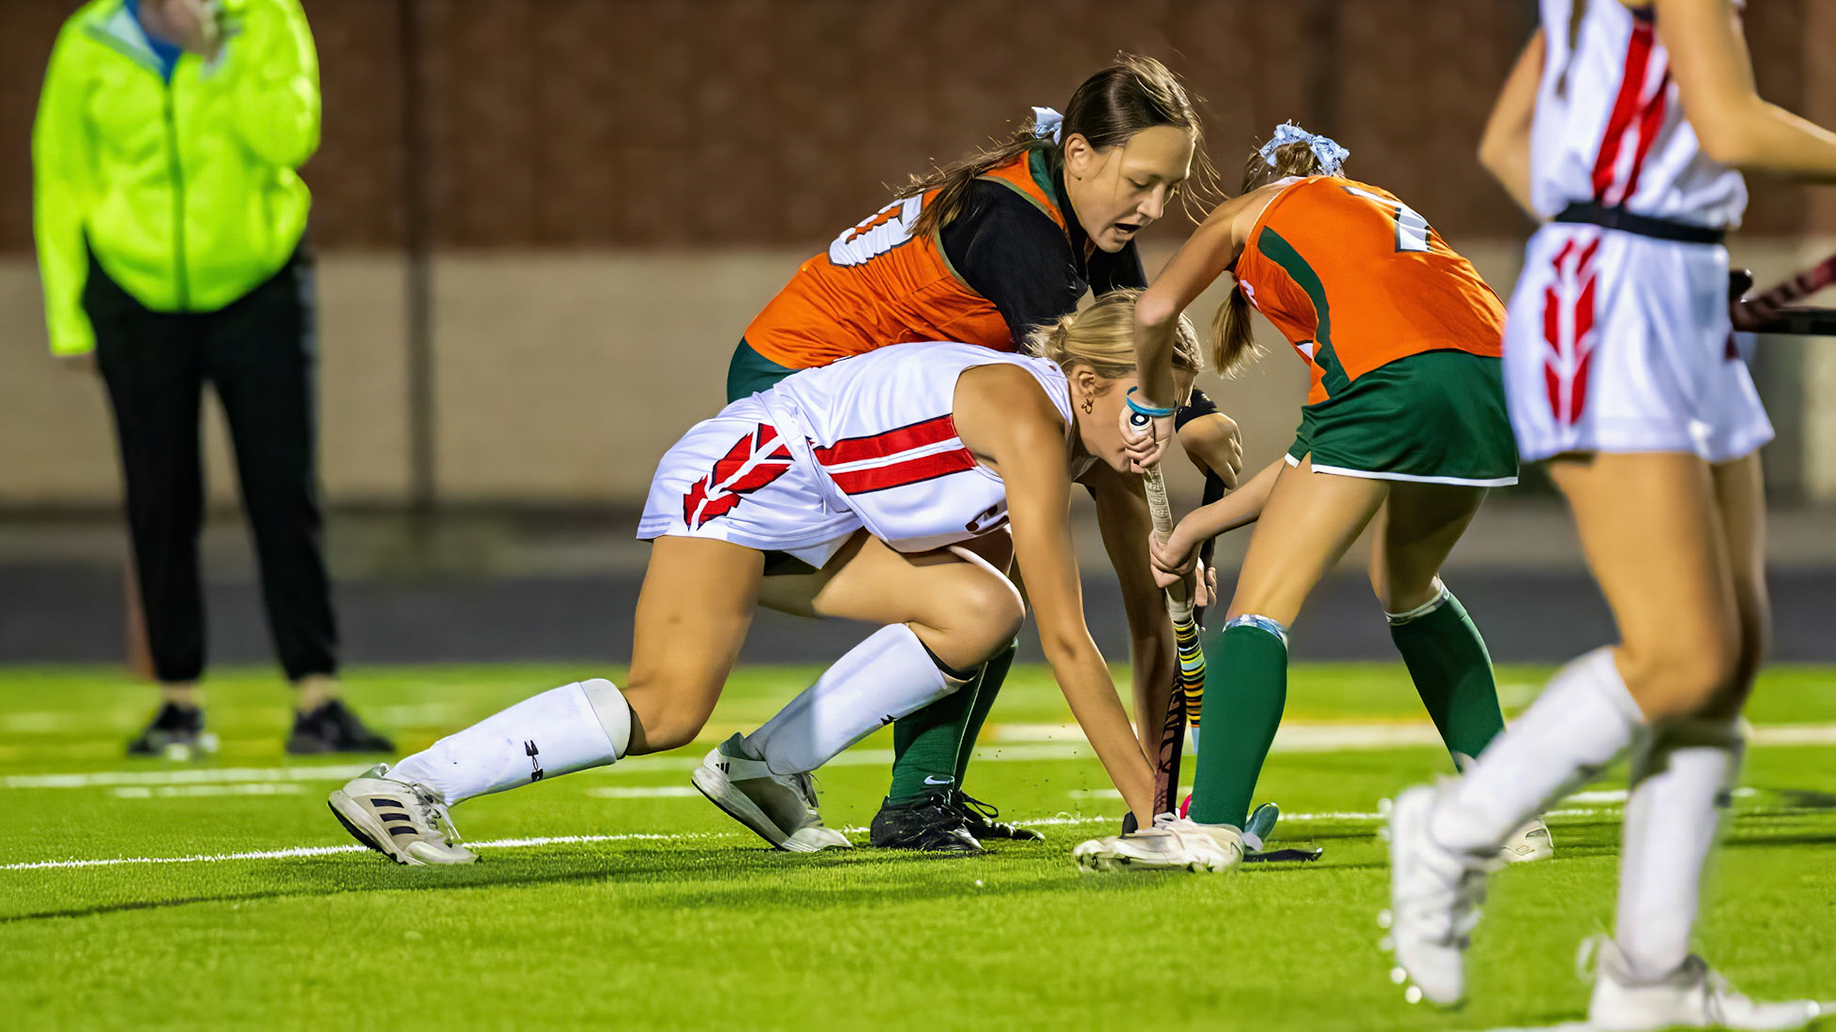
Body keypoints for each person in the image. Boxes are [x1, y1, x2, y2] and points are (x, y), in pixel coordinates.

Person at [1384, 0, 1836, 1024]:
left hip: (1662, 287)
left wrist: (1652, 236)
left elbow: (1511, 141)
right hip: (1621, 303)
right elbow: (1731, 125)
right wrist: (1629, 244)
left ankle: (1648, 979)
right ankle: (1453, 829)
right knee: (1681, 650)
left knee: (1727, 658)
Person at [326, 294, 1212, 865]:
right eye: (1144, 411)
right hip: (746, 476)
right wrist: (1154, 818)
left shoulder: (1092, 445)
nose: (1155, 436)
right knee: (667, 707)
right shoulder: (1028, 420)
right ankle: (409, 786)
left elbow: (1143, 616)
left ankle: (764, 770)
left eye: (1168, 417)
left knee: (981, 609)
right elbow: (1070, 640)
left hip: (821, 512)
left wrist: (1166, 797)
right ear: (1085, 383)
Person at [725, 55, 1243, 851]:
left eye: (1168, 190)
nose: (1154, 208)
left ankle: (909, 794)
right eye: (1141, 182)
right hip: (793, 384)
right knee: (995, 567)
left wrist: (1196, 414)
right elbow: (1105, 442)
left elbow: (1132, 346)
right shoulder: (1019, 231)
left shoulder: (1079, 214)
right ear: (1078, 155)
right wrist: (1154, 806)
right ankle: (904, 797)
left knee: (999, 569)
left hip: (837, 388)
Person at [1071, 124, 1546, 873]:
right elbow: (1321, 459)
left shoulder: (1244, 217)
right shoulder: (1369, 212)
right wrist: (1197, 525)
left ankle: (1211, 825)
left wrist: (1156, 408)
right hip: (1495, 376)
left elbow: (1154, 312)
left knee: (1261, 606)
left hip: (1395, 379)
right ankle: (1509, 810)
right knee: (1407, 584)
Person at [32, 0, 390, 758]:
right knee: (160, 498)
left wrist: (216, 59)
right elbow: (61, 184)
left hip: (259, 284)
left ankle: (316, 698)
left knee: (283, 491)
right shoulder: (89, 39)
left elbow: (292, 136)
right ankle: (179, 703)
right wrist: (70, 319)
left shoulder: (265, 14)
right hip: (135, 295)